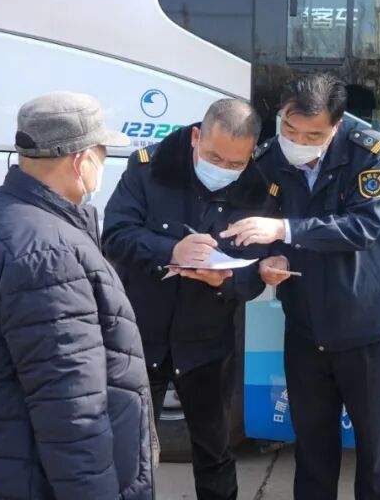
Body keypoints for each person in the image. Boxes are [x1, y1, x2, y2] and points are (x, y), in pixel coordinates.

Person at [0, 92, 153, 500]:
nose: (104, 162)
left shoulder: (0, 211)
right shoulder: (48, 253)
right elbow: (72, 410)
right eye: (102, 153)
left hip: (7, 465)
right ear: (80, 161)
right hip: (37, 479)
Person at [220, 73, 380, 500]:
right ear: (280, 115)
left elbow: (362, 227)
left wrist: (284, 229)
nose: (299, 141)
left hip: (369, 330)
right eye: (290, 129)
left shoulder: (369, 154)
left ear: (336, 126)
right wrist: (271, 259)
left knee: (379, 459)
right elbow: (260, 230)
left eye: (313, 135)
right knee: (312, 453)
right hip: (306, 329)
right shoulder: (269, 159)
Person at [102, 99, 277, 500]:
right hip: (140, 338)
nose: (223, 169)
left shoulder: (258, 188)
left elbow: (255, 274)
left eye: (235, 163)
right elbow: (116, 235)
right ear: (197, 136)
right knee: (128, 453)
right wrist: (171, 251)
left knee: (215, 453)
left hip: (206, 345)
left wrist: (224, 281)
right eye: (214, 157)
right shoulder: (149, 168)